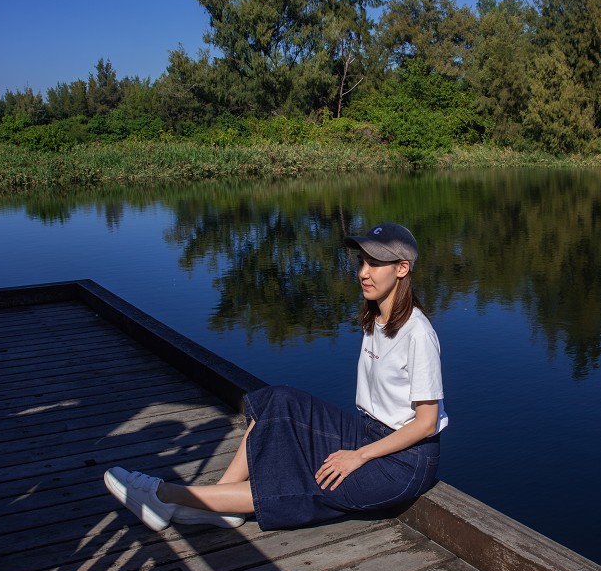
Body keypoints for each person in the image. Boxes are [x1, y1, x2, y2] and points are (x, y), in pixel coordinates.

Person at [104, 222, 447, 532]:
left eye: (374, 264)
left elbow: (426, 424)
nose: (363, 272)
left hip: (404, 463)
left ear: (402, 269)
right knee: (279, 400)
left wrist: (358, 456)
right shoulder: (375, 316)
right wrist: (359, 446)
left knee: (299, 484)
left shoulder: (417, 333)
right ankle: (222, 505)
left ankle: (163, 495)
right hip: (368, 432)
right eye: (361, 262)